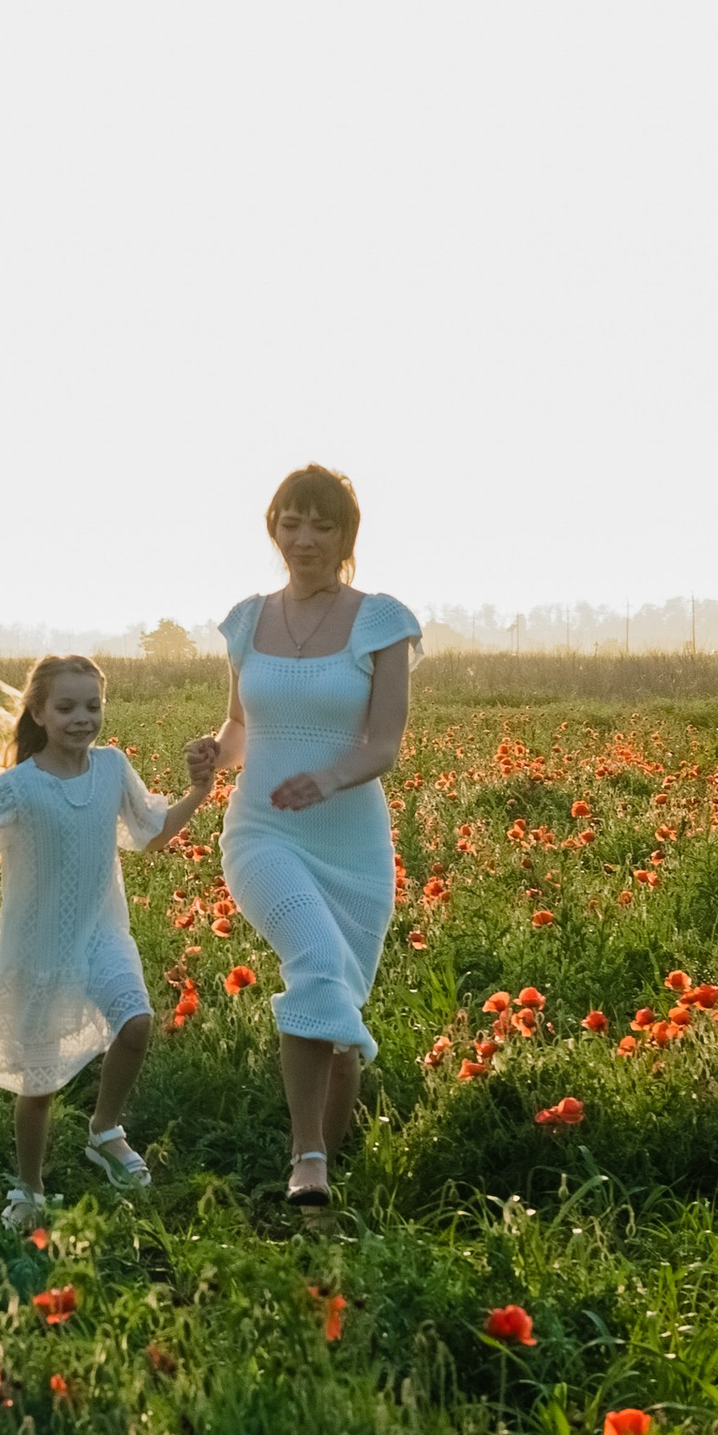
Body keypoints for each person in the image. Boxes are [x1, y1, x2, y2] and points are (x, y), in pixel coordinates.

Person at [0, 654, 218, 1221]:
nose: (82, 718)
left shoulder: (111, 769)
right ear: (39, 712)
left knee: (137, 1023)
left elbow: (152, 835)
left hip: (101, 934)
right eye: (67, 707)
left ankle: (104, 1129)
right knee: (39, 1084)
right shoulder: (20, 787)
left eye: (93, 705)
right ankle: (29, 1190)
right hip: (39, 951)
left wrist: (198, 791)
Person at [198, 465, 420, 1204]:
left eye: (322, 525)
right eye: (292, 523)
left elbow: (384, 743)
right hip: (263, 832)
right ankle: (308, 1158)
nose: (305, 539)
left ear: (346, 535)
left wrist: (327, 779)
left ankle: (325, 1181)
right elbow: (240, 730)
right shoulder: (245, 620)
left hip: (352, 844)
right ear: (274, 529)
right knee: (318, 962)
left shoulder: (381, 620)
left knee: (337, 999)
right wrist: (212, 751)